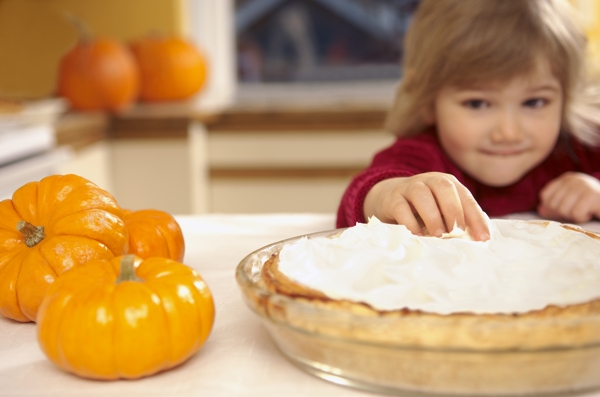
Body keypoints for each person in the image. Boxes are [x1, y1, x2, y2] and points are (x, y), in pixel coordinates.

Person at [336, 0, 600, 241]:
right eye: (477, 103)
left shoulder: (580, 147)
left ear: (567, 97)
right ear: (427, 99)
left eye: (534, 102)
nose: (508, 133)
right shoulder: (424, 155)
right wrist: (390, 195)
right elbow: (360, 201)